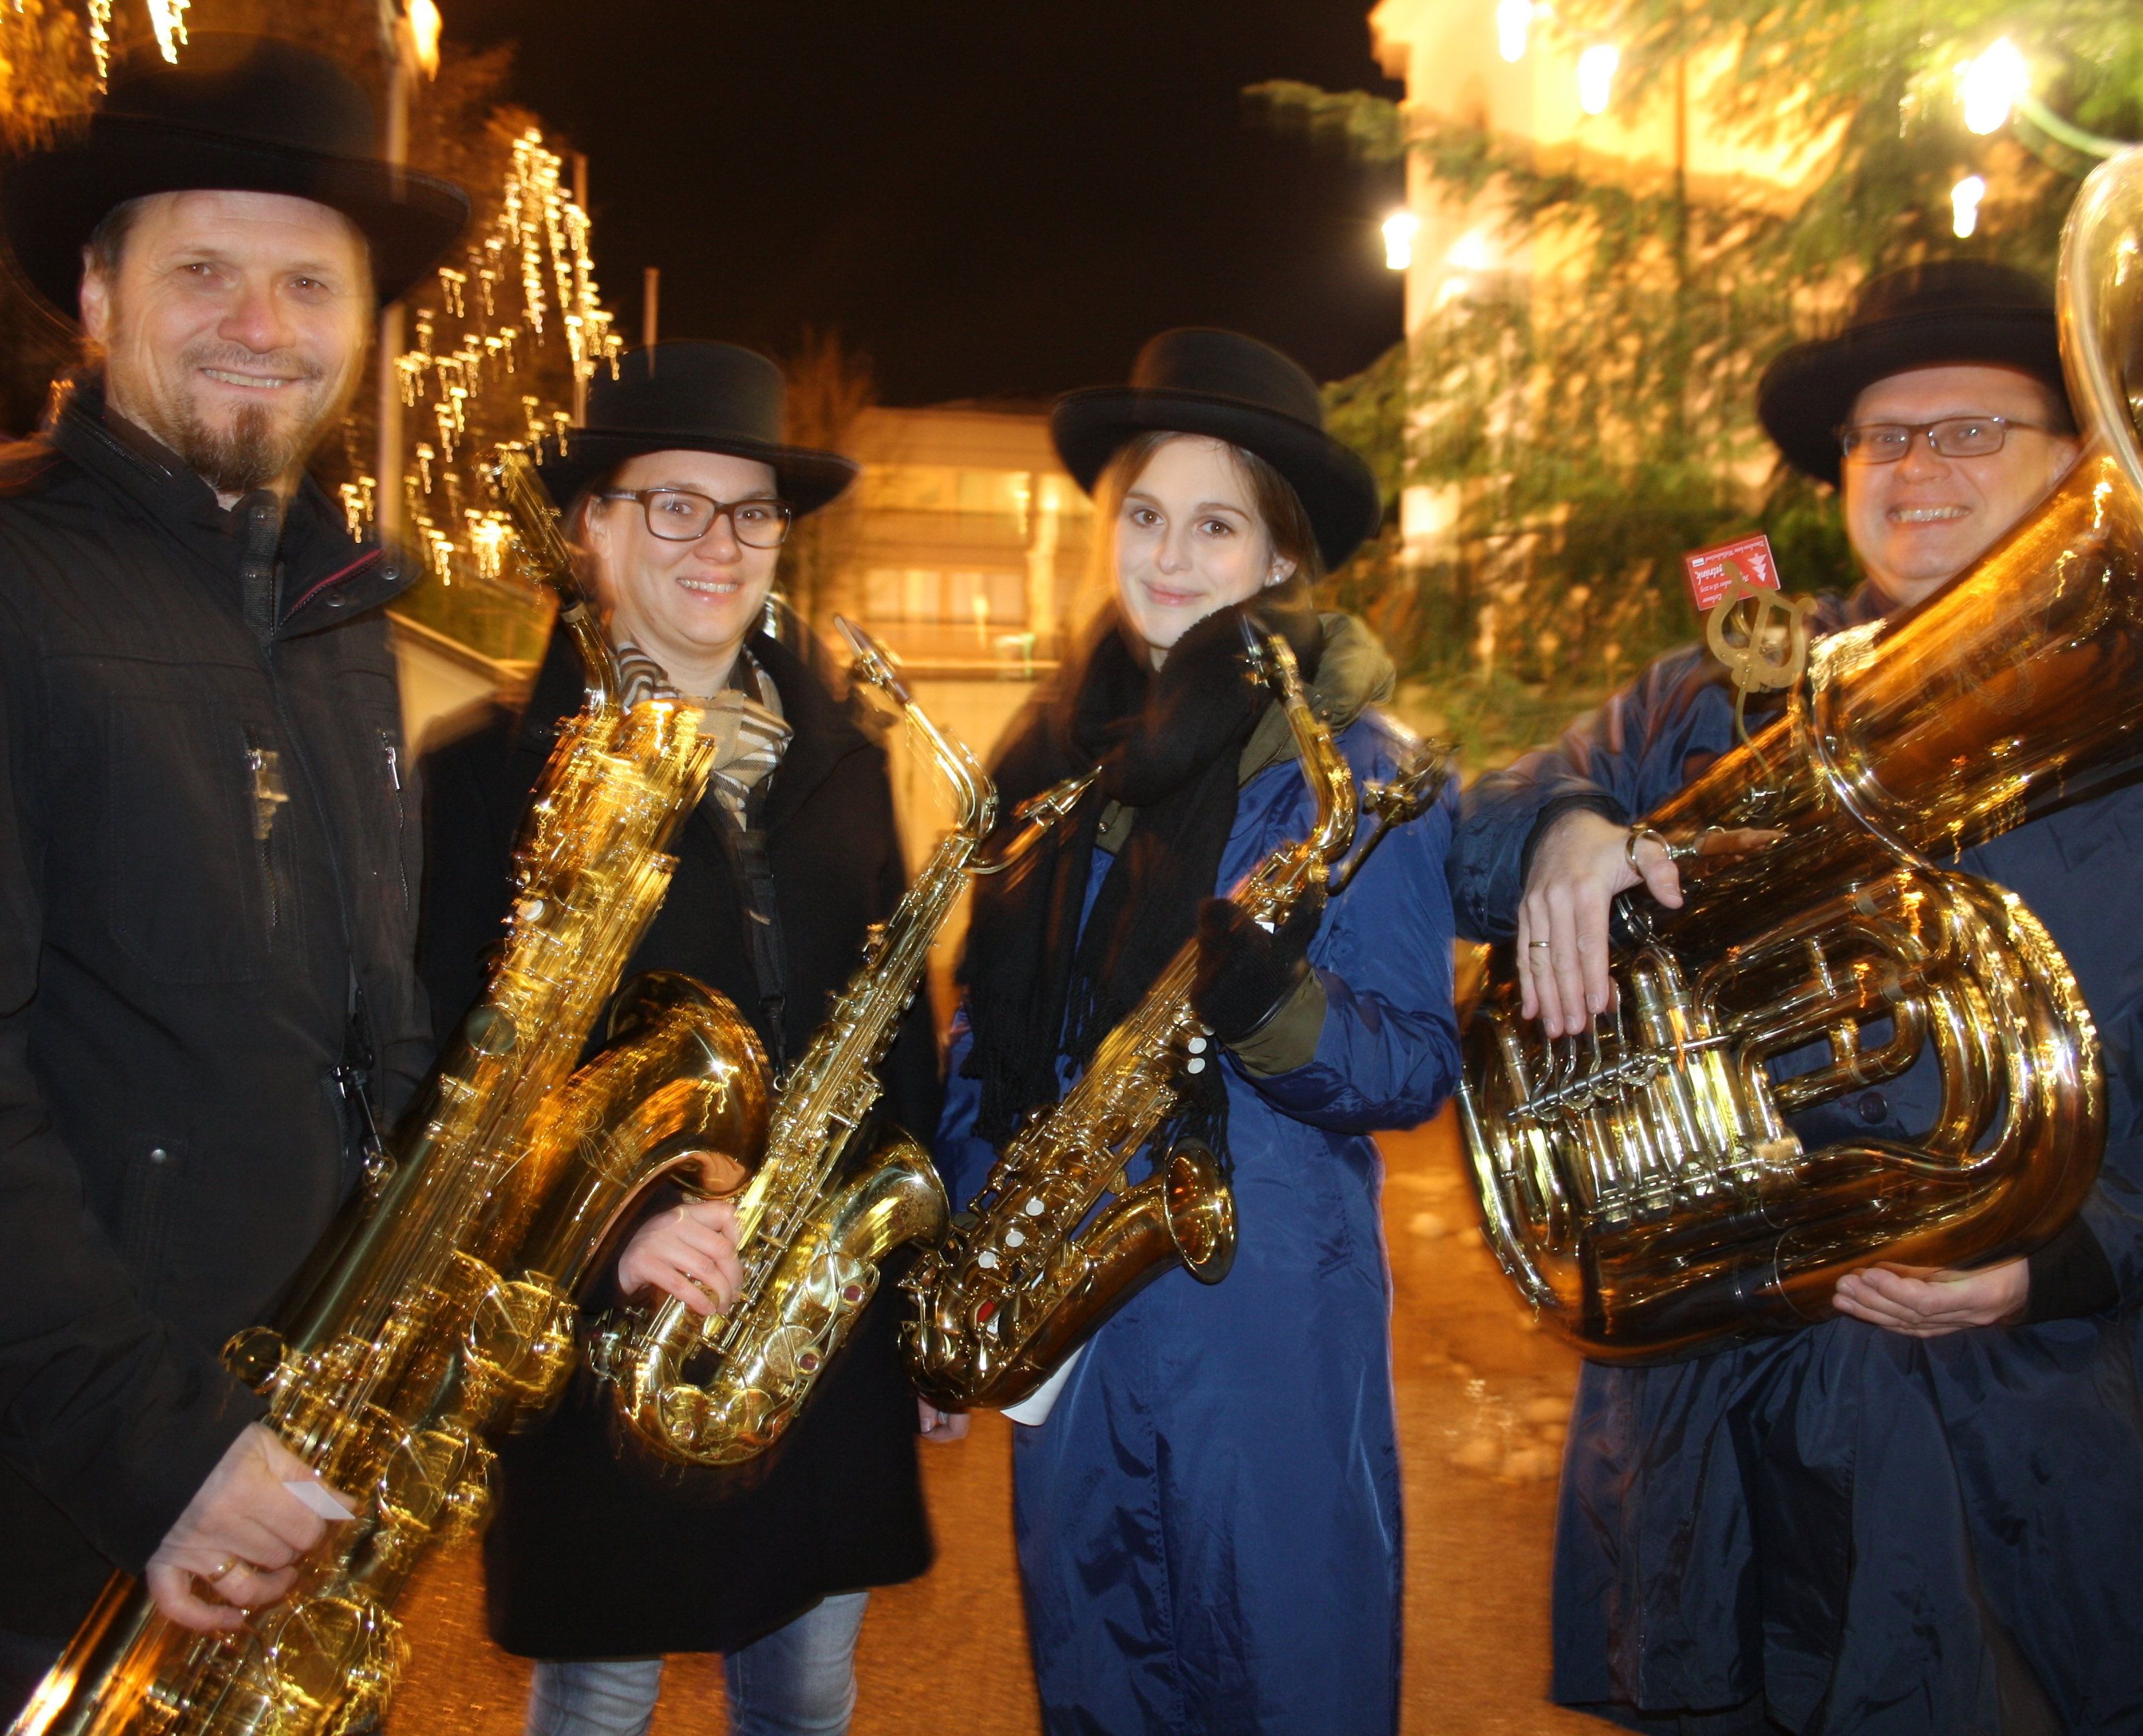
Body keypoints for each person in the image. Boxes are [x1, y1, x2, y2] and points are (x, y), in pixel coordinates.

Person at [1450, 261, 2143, 1733]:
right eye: (1878, 439)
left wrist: (2065, 1261)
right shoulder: (1712, 697)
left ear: (2084, 457)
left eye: (1967, 431)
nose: (1910, 470)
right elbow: (1478, 819)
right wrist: (1563, 827)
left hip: (2012, 1447)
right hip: (1712, 1448)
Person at [0, 34, 465, 1717]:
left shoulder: (339, 614)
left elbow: (371, 1030)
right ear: (99, 293)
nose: (260, 326)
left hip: (294, 1469)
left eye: (305, 283)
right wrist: (165, 1453)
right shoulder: (17, 583)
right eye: (205, 269)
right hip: (69, 1523)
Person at [931, 328, 1462, 1735]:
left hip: (1266, 1313)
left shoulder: (1362, 774)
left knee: (1286, 1679)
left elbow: (1414, 1058)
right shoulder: (1050, 759)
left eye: (1213, 525)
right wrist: (974, 1250)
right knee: (1097, 1685)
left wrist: (1279, 1014)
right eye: (1147, 518)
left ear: (1282, 557)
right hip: (1074, 1307)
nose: (1167, 559)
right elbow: (989, 1028)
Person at [419, 340, 940, 1736]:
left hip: (819, 1331)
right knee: (601, 1690)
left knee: (809, 1690)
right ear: (590, 525)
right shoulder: (485, 779)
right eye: (673, 505)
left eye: (752, 510)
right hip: (617, 1334)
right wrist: (612, 1233)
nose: (720, 544)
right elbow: (442, 1080)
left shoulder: (843, 760)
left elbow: (903, 1039)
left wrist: (919, 1293)